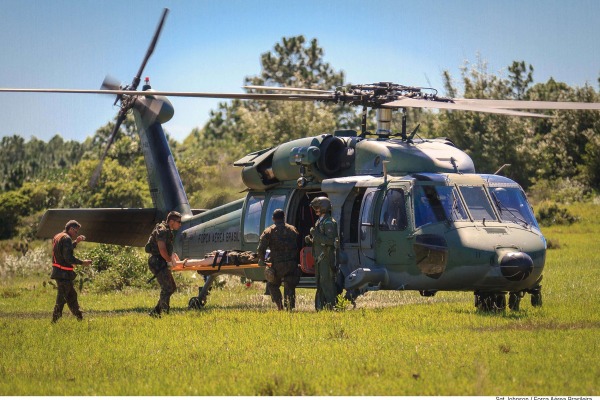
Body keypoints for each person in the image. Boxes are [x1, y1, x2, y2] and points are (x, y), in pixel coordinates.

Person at [257, 209, 300, 311]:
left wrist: (262, 260)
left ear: (273, 218)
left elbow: (260, 249)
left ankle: (279, 306)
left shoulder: (269, 231)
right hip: (291, 264)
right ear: (283, 217)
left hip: (277, 265)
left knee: (272, 285)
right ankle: (289, 308)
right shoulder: (293, 229)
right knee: (290, 285)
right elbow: (298, 244)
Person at [50, 220, 92, 323]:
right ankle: (54, 321)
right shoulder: (67, 238)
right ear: (71, 229)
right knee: (62, 298)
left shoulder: (58, 236)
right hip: (63, 273)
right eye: (76, 231)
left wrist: (76, 242)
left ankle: (79, 318)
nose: (76, 234)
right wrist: (83, 262)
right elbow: (68, 257)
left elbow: (63, 250)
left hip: (59, 272)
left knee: (71, 296)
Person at [145, 211, 183, 317]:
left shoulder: (167, 230)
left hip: (160, 261)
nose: (180, 224)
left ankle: (156, 312)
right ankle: (164, 312)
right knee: (167, 288)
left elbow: (167, 248)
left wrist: (173, 256)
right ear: (171, 221)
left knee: (172, 287)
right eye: (179, 222)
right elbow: (162, 249)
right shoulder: (162, 230)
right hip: (157, 261)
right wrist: (169, 261)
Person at [305, 196, 339, 310]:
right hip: (319, 258)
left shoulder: (329, 222)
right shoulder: (320, 221)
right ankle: (321, 307)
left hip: (326, 257)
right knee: (320, 283)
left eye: (317, 207)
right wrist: (311, 241)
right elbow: (320, 240)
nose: (316, 210)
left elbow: (330, 241)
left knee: (327, 283)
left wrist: (315, 235)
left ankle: (332, 307)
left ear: (324, 208)